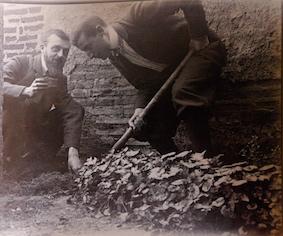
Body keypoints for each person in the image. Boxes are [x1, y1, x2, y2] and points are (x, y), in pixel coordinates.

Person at [72, 0, 226, 156]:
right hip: (174, 74)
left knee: (184, 92)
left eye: (88, 47)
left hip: (201, 50)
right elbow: (145, 84)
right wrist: (139, 109)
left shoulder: (138, 15)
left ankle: (207, 160)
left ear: (100, 31)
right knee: (146, 124)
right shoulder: (115, 57)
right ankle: (179, 168)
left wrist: (198, 35)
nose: (90, 55)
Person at [3, 29, 84, 173]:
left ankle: (38, 160)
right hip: (11, 129)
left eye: (65, 51)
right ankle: (10, 159)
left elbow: (71, 109)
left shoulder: (59, 78)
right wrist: (26, 91)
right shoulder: (20, 63)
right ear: (42, 48)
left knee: (72, 109)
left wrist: (73, 151)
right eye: (56, 49)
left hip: (34, 128)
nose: (61, 55)